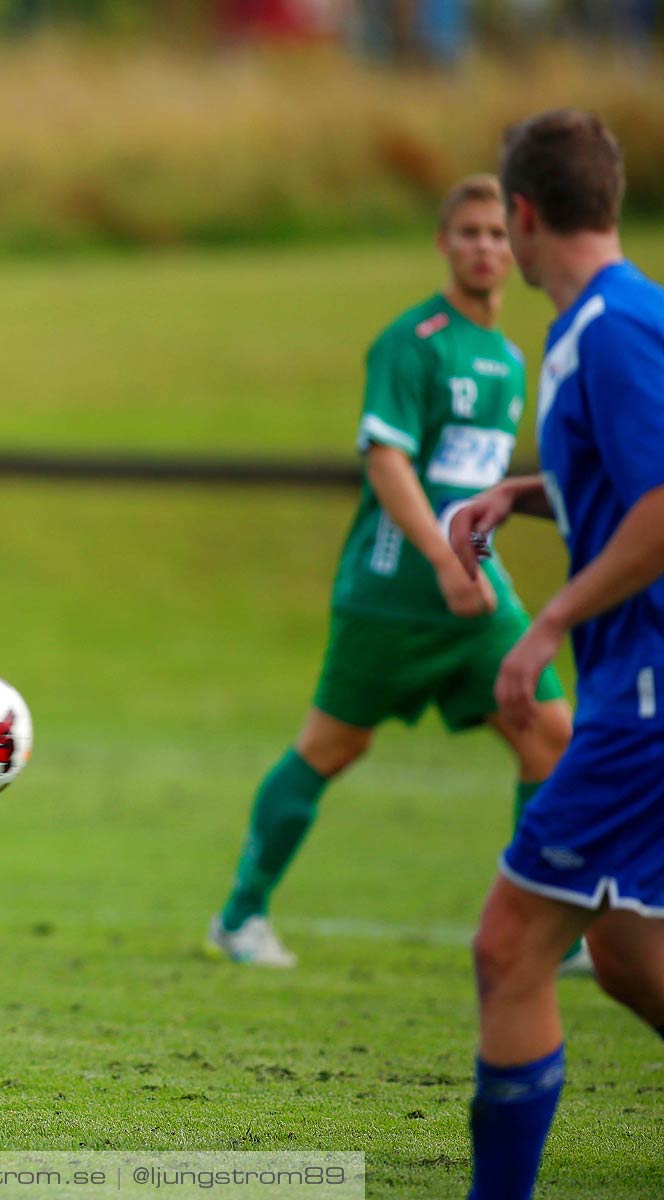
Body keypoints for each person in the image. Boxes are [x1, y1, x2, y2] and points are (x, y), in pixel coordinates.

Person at [206, 174, 573, 968]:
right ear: (444, 243)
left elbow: (470, 482)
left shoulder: (508, 358)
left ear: (519, 245)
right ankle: (240, 917)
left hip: (478, 591)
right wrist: (442, 557)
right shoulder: (415, 341)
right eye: (469, 232)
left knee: (550, 736)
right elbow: (387, 460)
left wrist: (469, 561)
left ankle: (548, 924)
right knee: (332, 748)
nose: (485, 247)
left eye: (498, 234)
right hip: (393, 592)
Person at [446, 109, 664, 1200]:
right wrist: (529, 493)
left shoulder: (614, 328)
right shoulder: (603, 321)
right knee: (630, 958)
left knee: (510, 946)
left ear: (523, 215)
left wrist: (543, 624)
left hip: (645, 691)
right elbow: (630, 480)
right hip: (638, 684)